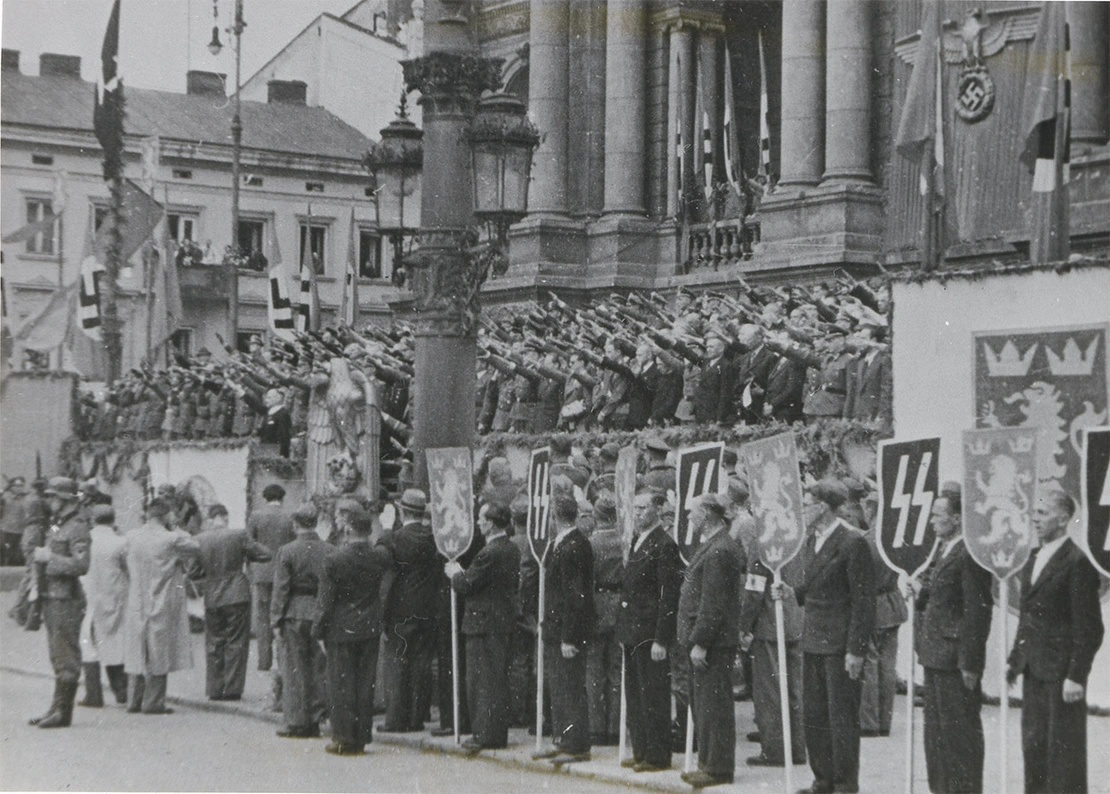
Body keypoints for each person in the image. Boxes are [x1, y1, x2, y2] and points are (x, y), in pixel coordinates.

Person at [772, 478, 875, 794]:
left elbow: (863, 601)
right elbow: (817, 584)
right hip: (814, 639)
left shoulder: (852, 542)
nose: (802, 510)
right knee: (815, 715)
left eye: (806, 504)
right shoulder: (811, 541)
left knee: (841, 717)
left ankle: (844, 784)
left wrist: (856, 650)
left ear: (823, 507)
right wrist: (791, 592)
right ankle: (823, 779)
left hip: (840, 645)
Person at [1007, 490, 1104, 794]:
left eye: (1043, 513)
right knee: (1034, 748)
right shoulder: (1033, 557)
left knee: (1063, 757)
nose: (1035, 519)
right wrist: (1015, 661)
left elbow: (1090, 628)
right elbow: (1028, 616)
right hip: (1033, 669)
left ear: (1063, 519)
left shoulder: (1077, 562)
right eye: (1034, 513)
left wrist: (1076, 675)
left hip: (1061, 676)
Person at [912, 485, 992, 794]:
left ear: (957, 518)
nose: (932, 521)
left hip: (955, 659)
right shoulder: (944, 549)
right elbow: (938, 595)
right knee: (936, 737)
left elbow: (977, 611)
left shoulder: (969, 554)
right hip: (935, 654)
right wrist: (919, 591)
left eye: (938, 515)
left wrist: (970, 662)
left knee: (959, 737)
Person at [677, 493, 745, 789]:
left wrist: (701, 642)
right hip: (709, 640)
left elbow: (712, 603)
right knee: (704, 704)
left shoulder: (719, 550)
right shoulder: (715, 545)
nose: (688, 517)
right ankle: (709, 763)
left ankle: (717, 767)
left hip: (713, 643)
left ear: (706, 514)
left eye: (692, 512)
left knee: (713, 706)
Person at [313, 504, 391, 756]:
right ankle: (361, 736)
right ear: (369, 530)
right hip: (370, 626)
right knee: (365, 683)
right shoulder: (379, 556)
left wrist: (318, 631)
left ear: (348, 529)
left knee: (341, 683)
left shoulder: (334, 559)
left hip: (341, 627)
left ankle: (343, 737)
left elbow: (325, 601)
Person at [445, 502, 521, 754]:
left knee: (482, 681)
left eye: (481, 518)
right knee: (496, 679)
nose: (478, 522)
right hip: (501, 621)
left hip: (483, 624)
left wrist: (455, 573)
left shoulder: (488, 553)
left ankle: (484, 734)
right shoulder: (510, 548)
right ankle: (494, 732)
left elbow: (467, 584)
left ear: (490, 523)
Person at [617, 489, 682, 773]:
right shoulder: (637, 540)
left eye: (643, 508)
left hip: (649, 631)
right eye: (636, 508)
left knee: (653, 694)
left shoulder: (664, 545)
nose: (638, 513)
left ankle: (657, 755)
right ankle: (641, 749)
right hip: (633, 629)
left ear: (657, 509)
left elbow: (668, 595)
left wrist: (661, 638)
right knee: (635, 694)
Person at [534, 491, 596, 765]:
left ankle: (576, 744)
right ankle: (562, 739)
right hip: (556, 628)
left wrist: (569, 637)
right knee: (559, 687)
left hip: (566, 631)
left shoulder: (573, 546)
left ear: (554, 517)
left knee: (569, 687)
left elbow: (575, 596)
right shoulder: (564, 543)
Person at [122, 497, 200, 715]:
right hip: (161, 599)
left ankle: (134, 700)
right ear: (166, 515)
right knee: (159, 650)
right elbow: (195, 546)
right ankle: (154, 702)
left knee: (138, 649)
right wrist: (175, 527)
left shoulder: (132, 536)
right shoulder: (171, 539)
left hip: (137, 599)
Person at [26, 477, 90, 729]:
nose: (49, 500)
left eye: (53, 496)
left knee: (66, 655)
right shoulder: (57, 524)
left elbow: (82, 565)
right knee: (57, 654)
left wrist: (50, 557)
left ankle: (63, 712)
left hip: (67, 598)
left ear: (64, 499)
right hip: (51, 595)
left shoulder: (78, 526)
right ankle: (55, 708)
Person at [192, 504, 272, 701]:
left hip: (212, 595)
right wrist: (245, 557)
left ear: (210, 519)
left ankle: (214, 689)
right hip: (237, 593)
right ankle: (232, 689)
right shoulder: (239, 535)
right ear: (226, 517)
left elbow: (194, 572)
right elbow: (265, 554)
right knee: (236, 641)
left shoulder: (200, 539)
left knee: (214, 642)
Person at [378, 488, 439, 733]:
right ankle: (417, 717)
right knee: (421, 663)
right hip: (427, 607)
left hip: (400, 609)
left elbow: (382, 555)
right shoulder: (433, 538)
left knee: (397, 663)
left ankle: (396, 719)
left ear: (402, 511)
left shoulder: (396, 538)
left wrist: (385, 528)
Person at [739, 551, 806, 767]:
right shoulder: (799, 541)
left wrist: (744, 626)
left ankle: (775, 749)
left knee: (769, 692)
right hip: (795, 621)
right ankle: (796, 747)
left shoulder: (762, 545)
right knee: (794, 689)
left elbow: (754, 591)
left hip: (769, 625)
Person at [272, 502, 330, 739]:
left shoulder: (287, 551)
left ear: (295, 524)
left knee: (294, 669)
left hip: (294, 612)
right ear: (315, 523)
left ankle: (296, 721)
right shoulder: (329, 549)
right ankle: (316, 719)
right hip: (319, 611)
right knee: (318, 668)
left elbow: (281, 589)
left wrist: (276, 619)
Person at [81, 504, 130, 707]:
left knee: (89, 644)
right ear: (113, 519)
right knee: (116, 643)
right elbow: (128, 569)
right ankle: (121, 690)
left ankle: (93, 694)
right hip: (115, 596)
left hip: (88, 596)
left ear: (93, 519)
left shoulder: (86, 541)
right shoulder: (121, 542)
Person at [585, 493, 624, 746]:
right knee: (616, 668)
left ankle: (596, 726)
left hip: (597, 602)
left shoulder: (591, 543)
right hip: (619, 602)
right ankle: (615, 726)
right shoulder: (624, 541)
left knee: (594, 668)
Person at [247, 484, 294, 679]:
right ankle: (281, 658)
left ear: (265, 498)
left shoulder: (256, 516)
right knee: (281, 614)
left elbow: (250, 544)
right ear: (282, 498)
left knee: (262, 616)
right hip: (283, 572)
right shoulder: (289, 517)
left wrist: (252, 567)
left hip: (261, 572)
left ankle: (263, 661)